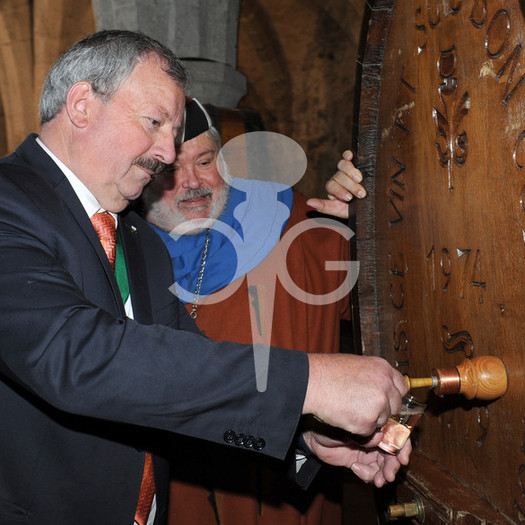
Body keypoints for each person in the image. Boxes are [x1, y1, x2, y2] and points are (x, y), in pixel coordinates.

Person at [0, 29, 410, 525]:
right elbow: (77, 354)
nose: (167, 155)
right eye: (155, 123)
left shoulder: (137, 239)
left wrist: (304, 438)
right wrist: (311, 382)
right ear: (82, 105)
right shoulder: (8, 203)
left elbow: (182, 394)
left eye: (176, 137)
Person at [141, 100, 376, 525]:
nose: (193, 183)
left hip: (285, 493)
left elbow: (391, 298)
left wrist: (370, 221)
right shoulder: (117, 251)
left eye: (205, 161)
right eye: (170, 171)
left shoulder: (296, 225)